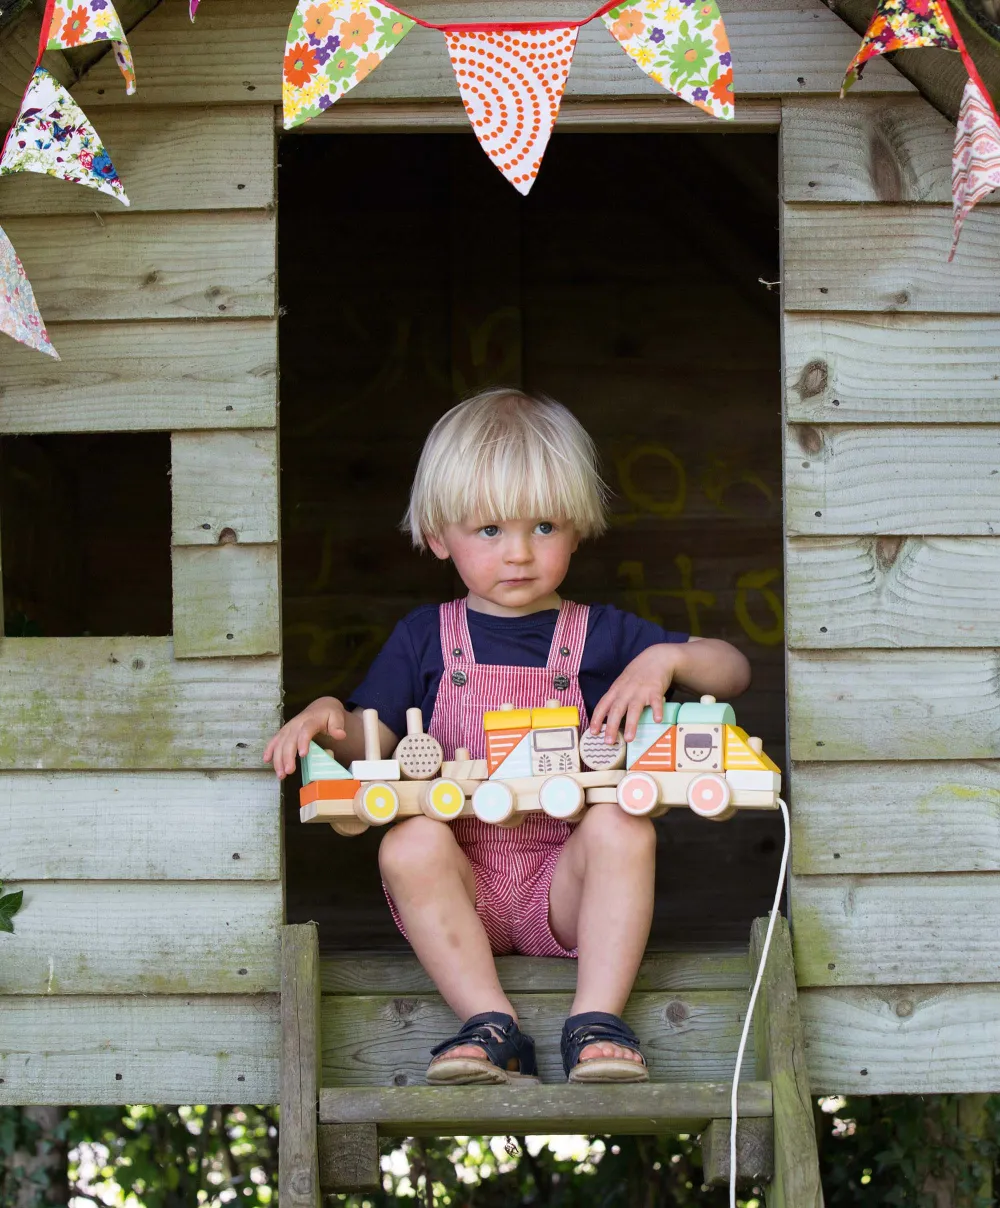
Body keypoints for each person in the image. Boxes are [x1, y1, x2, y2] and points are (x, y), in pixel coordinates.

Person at [264, 389, 750, 1086]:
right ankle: (491, 1025)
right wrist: (325, 715)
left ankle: (597, 1021)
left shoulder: (605, 634)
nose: (519, 553)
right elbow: (368, 741)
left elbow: (733, 670)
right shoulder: (424, 638)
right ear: (440, 537)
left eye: (544, 526)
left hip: (565, 890)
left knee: (624, 824)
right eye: (489, 530)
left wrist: (666, 658)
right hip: (465, 891)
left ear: (577, 529)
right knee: (407, 839)